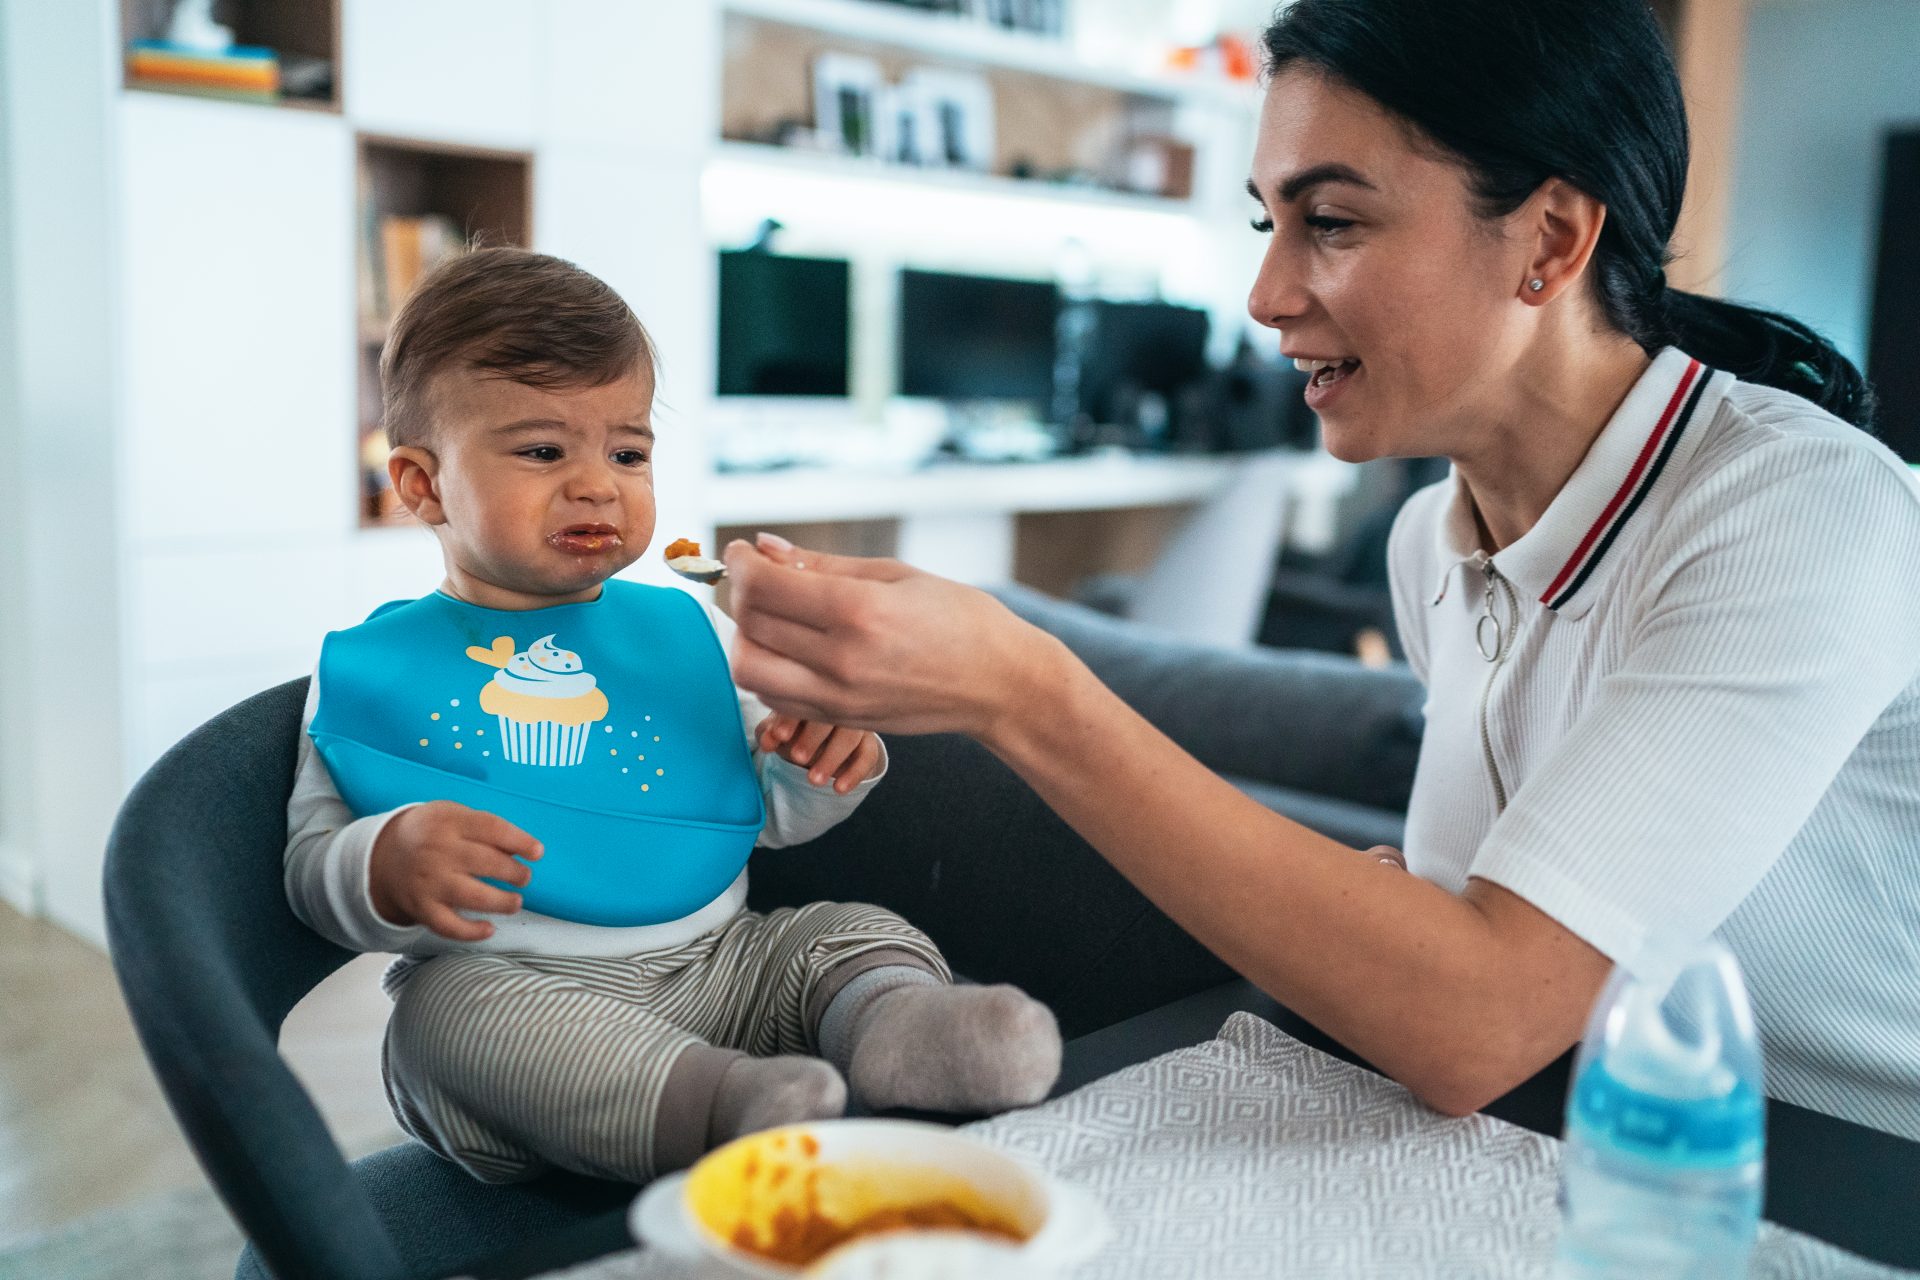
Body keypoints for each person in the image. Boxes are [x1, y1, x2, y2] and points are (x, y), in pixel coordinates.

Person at [725, 0, 1920, 1140]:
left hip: (1825, 1181)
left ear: (1550, 239)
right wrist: (1404, 927)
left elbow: (1476, 1018)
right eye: (1268, 223)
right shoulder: (1431, 544)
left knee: (993, 720)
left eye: (1332, 222)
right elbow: (1471, 958)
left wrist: (1024, 691)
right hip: (1563, 1124)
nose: (1265, 295)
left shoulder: (1802, 510)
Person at [284, 248, 1062, 1186]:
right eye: (542, 451)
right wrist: (380, 862)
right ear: (422, 484)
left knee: (838, 930)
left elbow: (751, 817)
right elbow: (307, 867)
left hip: (723, 966)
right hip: (523, 1002)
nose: (597, 484)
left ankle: (899, 1030)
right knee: (437, 1020)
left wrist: (815, 769)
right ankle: (721, 1113)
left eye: (628, 451)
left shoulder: (681, 627)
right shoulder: (370, 670)